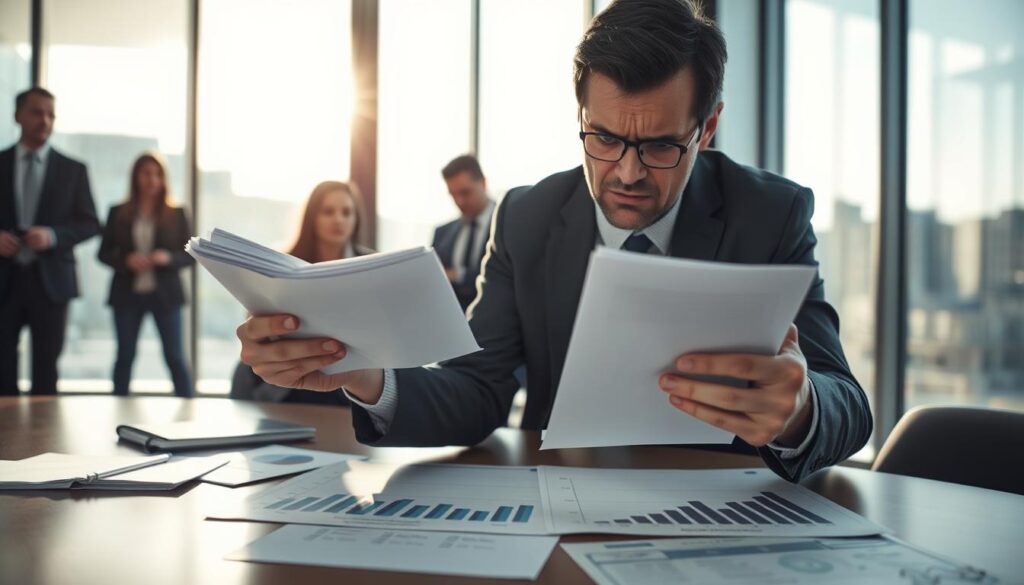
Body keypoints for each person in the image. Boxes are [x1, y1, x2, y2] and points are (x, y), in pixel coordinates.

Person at [234, 0, 872, 483]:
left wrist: (800, 409)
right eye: (603, 138)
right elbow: (478, 389)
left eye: (658, 147)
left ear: (706, 129)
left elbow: (848, 403)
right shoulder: (528, 216)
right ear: (580, 118)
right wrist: (368, 375)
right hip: (558, 499)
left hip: (720, 507)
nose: (625, 172)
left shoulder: (770, 213)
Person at [231, 180, 372, 406]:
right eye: (328, 211)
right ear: (312, 217)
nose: (338, 219)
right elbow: (254, 320)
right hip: (290, 376)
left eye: (347, 212)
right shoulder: (282, 264)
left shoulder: (372, 266)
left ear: (356, 219)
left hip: (350, 377)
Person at [0, 87, 100, 396]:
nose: (44, 120)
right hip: (4, 280)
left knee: (46, 373)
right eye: (36, 112)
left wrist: (54, 236)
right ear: (18, 116)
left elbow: (91, 224)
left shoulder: (73, 169)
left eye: (50, 114)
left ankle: (40, 443)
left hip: (52, 283)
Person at [98, 152, 195, 397]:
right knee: (125, 356)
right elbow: (103, 253)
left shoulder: (177, 213)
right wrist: (126, 260)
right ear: (135, 177)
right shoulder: (117, 212)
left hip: (166, 294)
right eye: (146, 173)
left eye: (157, 174)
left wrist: (167, 258)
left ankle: (190, 409)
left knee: (174, 356)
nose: (152, 179)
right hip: (127, 294)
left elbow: (191, 255)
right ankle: (117, 408)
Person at [432, 155, 495, 311]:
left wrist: (459, 275)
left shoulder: (509, 227)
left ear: (483, 183)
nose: (459, 202)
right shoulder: (442, 233)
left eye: (465, 193)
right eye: (453, 195)